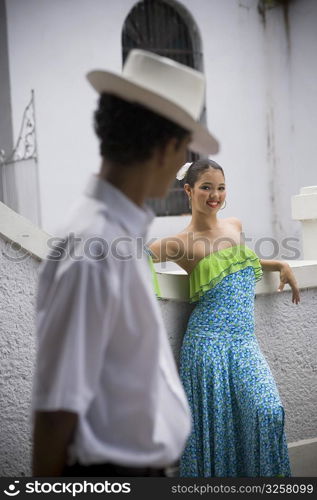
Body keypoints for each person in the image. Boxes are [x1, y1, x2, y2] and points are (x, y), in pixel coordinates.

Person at [31, 50, 220, 477]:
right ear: (167, 147)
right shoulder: (94, 246)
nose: (181, 165)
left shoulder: (119, 236)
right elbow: (56, 408)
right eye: (183, 151)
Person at [149, 158, 300, 477]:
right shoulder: (180, 243)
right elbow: (138, 256)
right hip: (207, 349)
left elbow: (237, 262)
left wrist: (279, 265)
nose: (215, 195)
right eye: (206, 188)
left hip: (244, 344)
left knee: (268, 412)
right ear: (188, 190)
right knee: (218, 435)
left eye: (220, 187)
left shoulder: (234, 226)